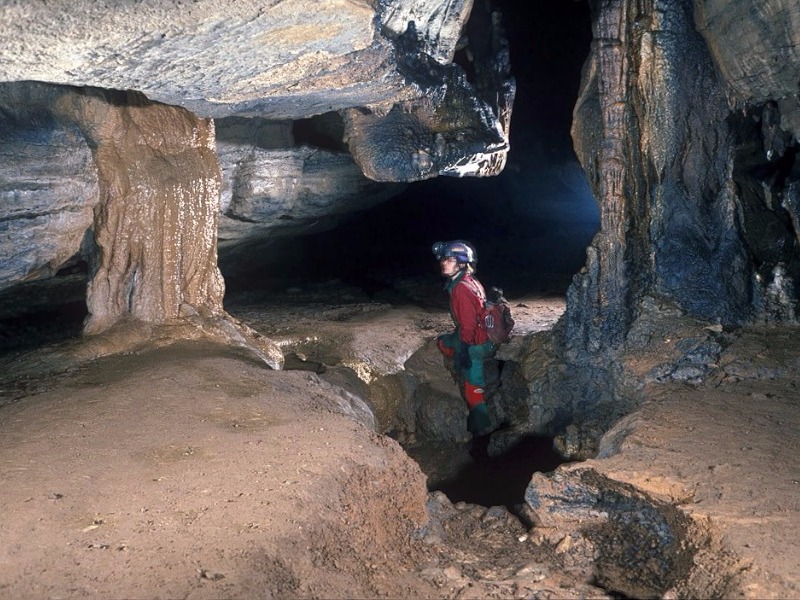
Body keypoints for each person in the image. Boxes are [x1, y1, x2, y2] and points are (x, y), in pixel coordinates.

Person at [432, 240, 497, 459]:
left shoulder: (460, 288)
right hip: (482, 337)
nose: (444, 263)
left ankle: (483, 432)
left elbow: (468, 325)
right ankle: (456, 368)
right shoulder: (469, 280)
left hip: (476, 343)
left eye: (449, 259)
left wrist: (466, 351)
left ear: (461, 264)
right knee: (444, 341)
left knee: (473, 388)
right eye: (444, 259)